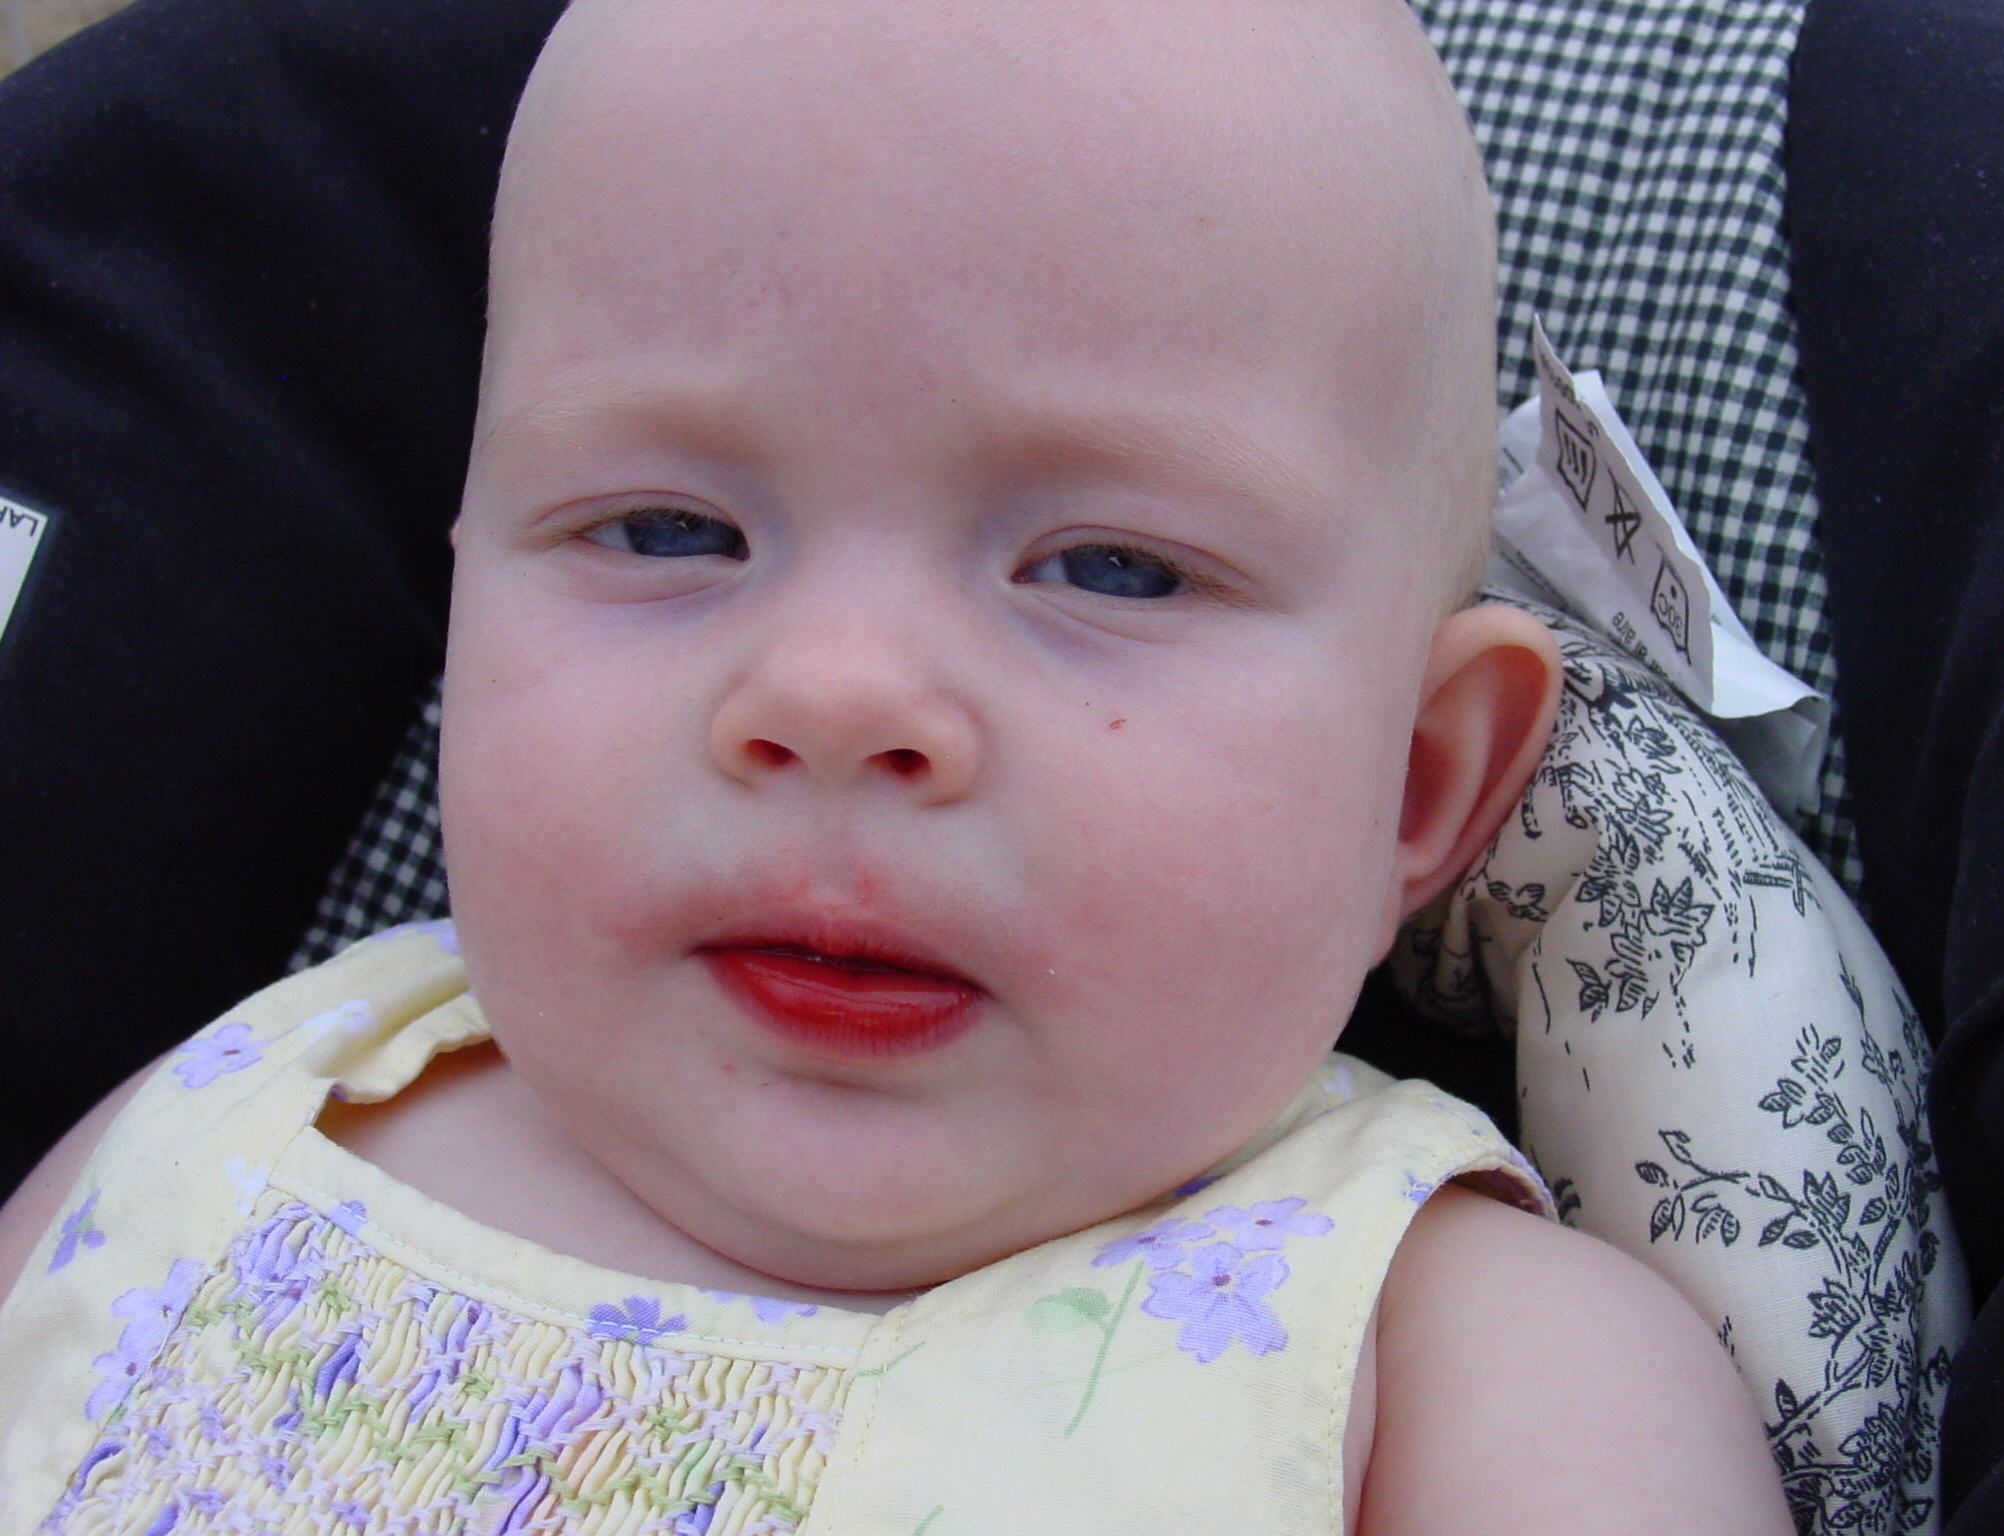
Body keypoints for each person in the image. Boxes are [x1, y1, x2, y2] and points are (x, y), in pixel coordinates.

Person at [0, 0, 1794, 1529]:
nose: (836, 694)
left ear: (1412, 785)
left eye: (1108, 568)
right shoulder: (229, 1110)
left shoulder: (1467, 1377)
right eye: (664, 528)